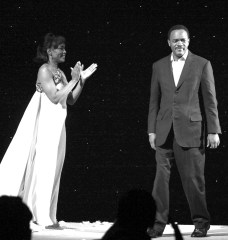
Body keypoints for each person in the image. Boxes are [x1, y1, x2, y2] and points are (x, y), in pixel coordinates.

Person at [0, 33, 97, 229]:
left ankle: (48, 215)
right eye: (59, 47)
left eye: (64, 47)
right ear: (49, 51)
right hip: (46, 124)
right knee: (43, 168)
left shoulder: (60, 73)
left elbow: (70, 99)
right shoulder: (44, 70)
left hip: (58, 125)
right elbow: (53, 97)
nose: (64, 51)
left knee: (54, 168)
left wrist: (81, 81)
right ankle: (37, 216)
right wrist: (73, 80)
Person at [147, 25, 221, 238]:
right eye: (175, 40)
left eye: (183, 40)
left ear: (188, 41)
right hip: (163, 131)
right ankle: (157, 225)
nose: (179, 43)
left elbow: (210, 99)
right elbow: (154, 101)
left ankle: (201, 222)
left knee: (193, 180)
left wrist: (213, 130)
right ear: (169, 43)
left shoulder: (201, 64)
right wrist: (151, 130)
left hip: (191, 131)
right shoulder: (159, 66)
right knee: (160, 181)